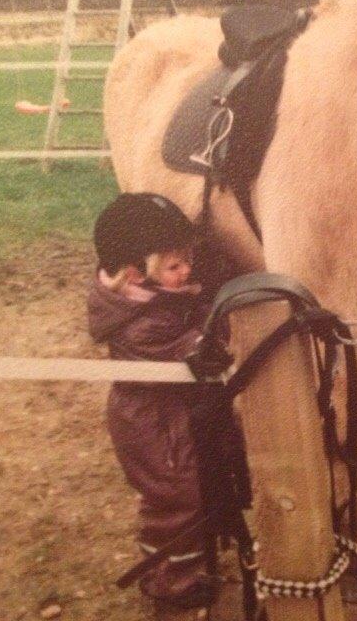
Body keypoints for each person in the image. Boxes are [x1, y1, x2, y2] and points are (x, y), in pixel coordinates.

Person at [87, 192, 220, 613]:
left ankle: (189, 563)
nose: (186, 272)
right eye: (174, 266)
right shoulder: (140, 324)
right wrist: (210, 339)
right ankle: (169, 585)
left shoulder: (157, 297)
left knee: (191, 486)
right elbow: (188, 345)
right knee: (173, 497)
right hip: (151, 423)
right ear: (135, 273)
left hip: (171, 414)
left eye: (187, 261)